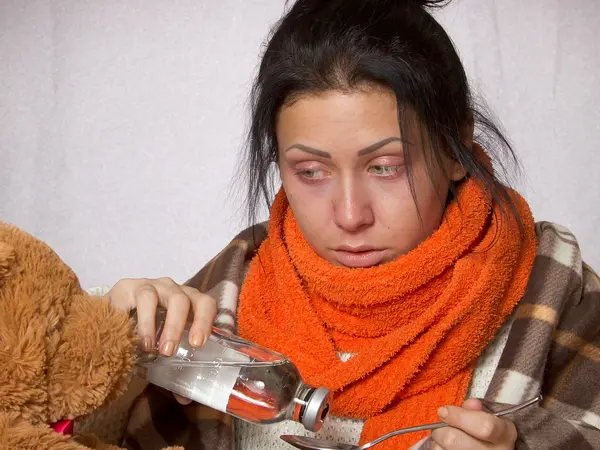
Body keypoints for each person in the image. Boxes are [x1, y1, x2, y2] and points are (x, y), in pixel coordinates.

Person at [103, 0, 600, 449]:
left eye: (385, 167)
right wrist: (111, 366)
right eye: (310, 172)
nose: (349, 215)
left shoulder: (555, 293)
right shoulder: (227, 290)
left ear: (455, 148)